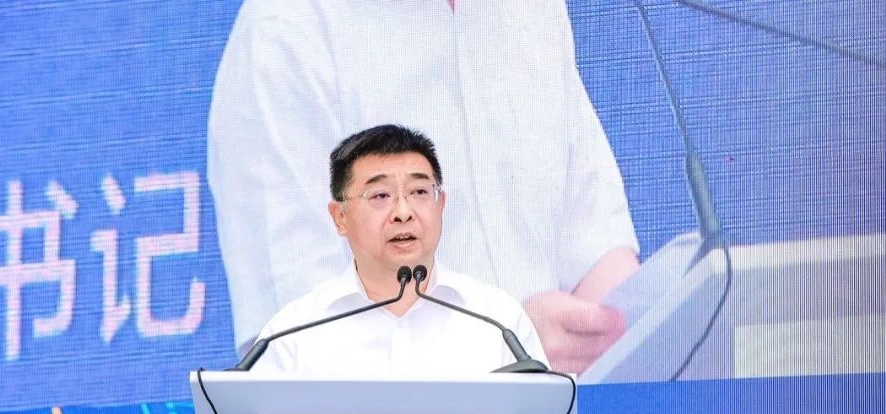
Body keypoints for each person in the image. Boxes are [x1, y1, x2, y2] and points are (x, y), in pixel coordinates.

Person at [208, 0, 639, 373]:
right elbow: (296, 346)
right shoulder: (286, 29)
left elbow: (597, 251)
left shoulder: (530, 10)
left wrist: (633, 323)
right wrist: (504, 351)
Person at [250, 125, 547, 377]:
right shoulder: (293, 333)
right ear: (340, 217)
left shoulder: (498, 321)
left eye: (419, 192)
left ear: (440, 205)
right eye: (380, 195)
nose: (403, 212)